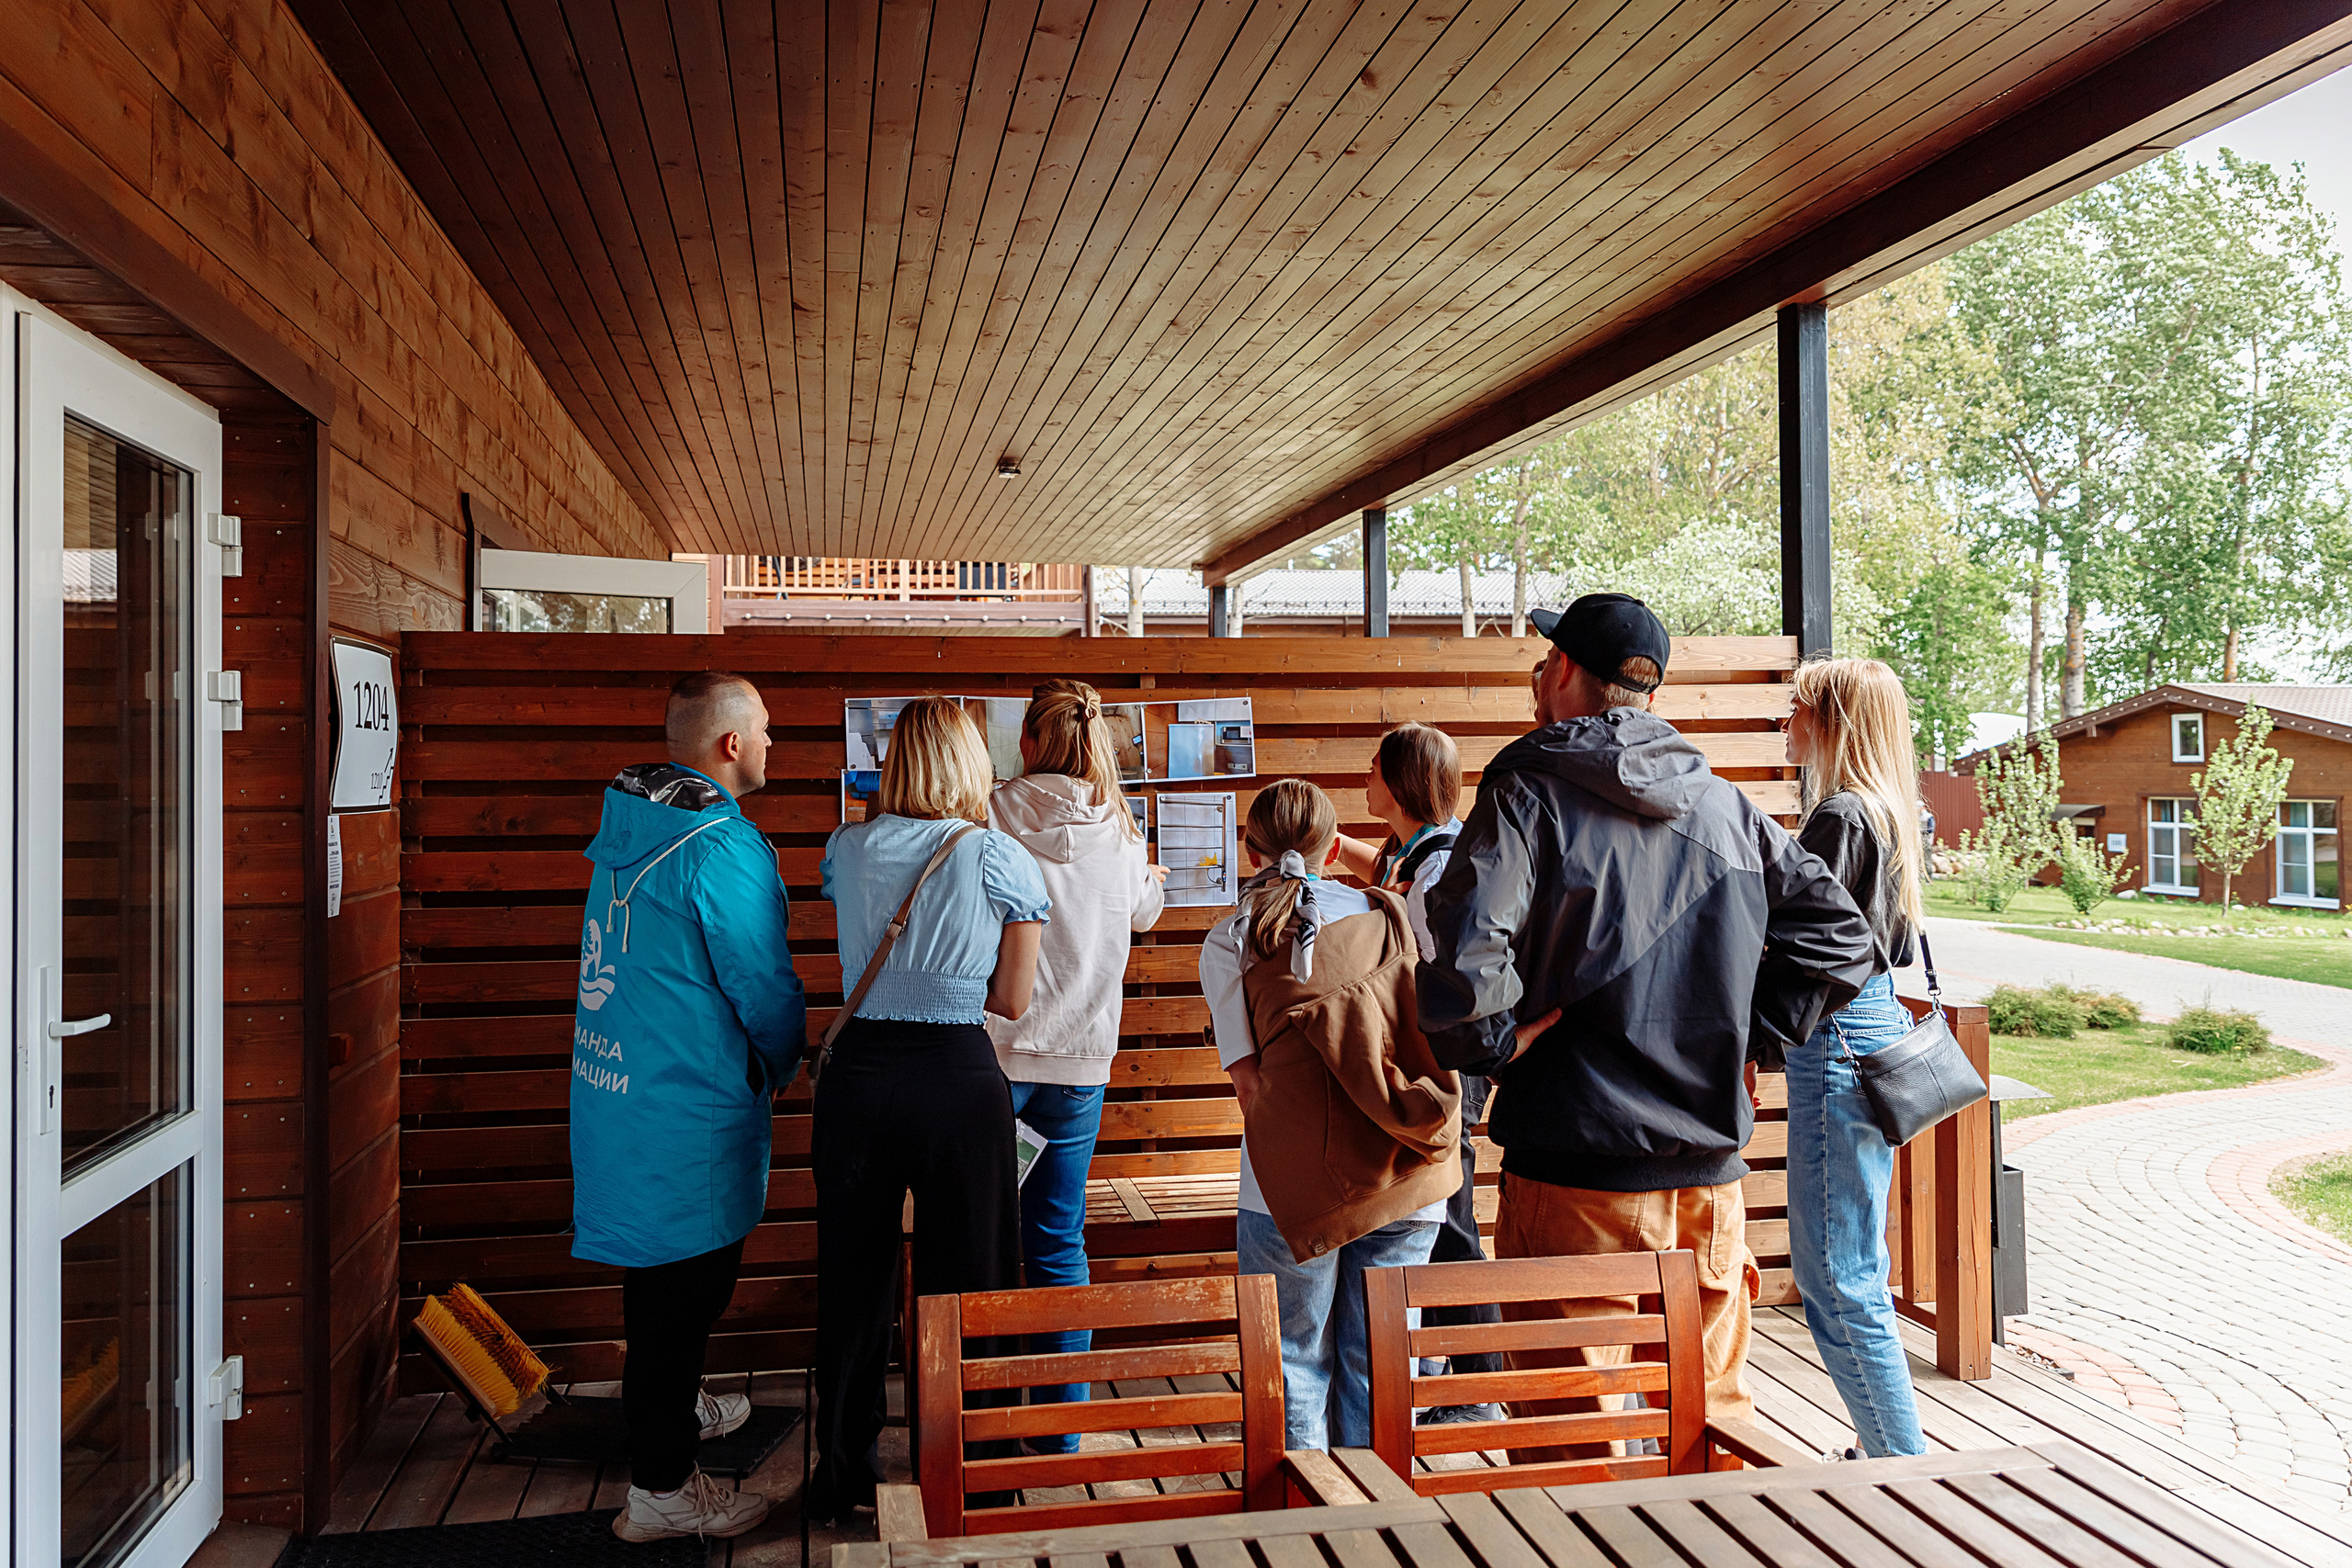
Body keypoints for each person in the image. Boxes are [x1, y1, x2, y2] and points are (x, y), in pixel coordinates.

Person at [1417, 593, 1875, 1447]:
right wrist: (1753, 1037)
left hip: (1570, 1176)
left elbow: (1466, 953)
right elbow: (1844, 940)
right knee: (1712, 1440)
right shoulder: (1729, 809)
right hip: (1707, 1186)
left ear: (1560, 674)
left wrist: (1492, 1045)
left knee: (1568, 1448)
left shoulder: (1526, 792)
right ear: (1649, 695)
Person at [570, 671, 807, 1542]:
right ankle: (662, 1490)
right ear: (731, 746)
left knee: (659, 1286)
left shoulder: (632, 827)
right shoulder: (718, 848)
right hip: (688, 1111)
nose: (775, 744)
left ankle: (678, 1401)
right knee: (681, 1293)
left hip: (622, 1094)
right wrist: (787, 1057)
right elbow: (764, 986)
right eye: (767, 730)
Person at [808, 696, 1051, 1522]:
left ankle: (842, 1475)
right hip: (957, 1079)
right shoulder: (997, 857)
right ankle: (974, 1467)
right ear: (970, 761)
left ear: (895, 758)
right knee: (971, 1276)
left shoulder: (845, 847)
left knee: (852, 1281)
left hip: (860, 1074)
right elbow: (1013, 1000)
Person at [1201, 778, 1464, 1451]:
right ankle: (1376, 1526)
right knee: (1381, 1364)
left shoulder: (1232, 938)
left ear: (1249, 847)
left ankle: (1308, 1529)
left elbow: (1251, 1087)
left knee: (1291, 1362)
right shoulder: (1385, 912)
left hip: (1290, 1191)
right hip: (1404, 1167)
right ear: (1330, 843)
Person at [986, 680, 1167, 1447]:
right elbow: (1142, 912)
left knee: (988, 1241)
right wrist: (1150, 880)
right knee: (1058, 1239)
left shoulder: (991, 813)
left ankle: (986, 1420)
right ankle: (1060, 1430)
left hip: (993, 1058)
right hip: (1080, 1065)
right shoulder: (1121, 834)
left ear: (1027, 741)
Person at [1782, 658, 1932, 1458]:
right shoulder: (1889, 810)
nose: (1786, 722)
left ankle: (1902, 1471)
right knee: (1845, 1271)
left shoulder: (1841, 814)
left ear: (1830, 719)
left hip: (1837, 1038)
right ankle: (1888, 1452)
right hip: (1868, 1030)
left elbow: (1818, 951)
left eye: (1797, 708)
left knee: (1842, 1279)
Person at [1331, 724, 1497, 1425]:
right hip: (1433, 1060)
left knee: (1452, 1220)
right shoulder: (1420, 850)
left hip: (1447, 1062)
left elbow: (1431, 956)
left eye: (1373, 767)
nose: (1363, 775)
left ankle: (1481, 1385)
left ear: (1397, 785)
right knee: (1434, 1212)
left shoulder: (1438, 869)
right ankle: (1445, 1372)